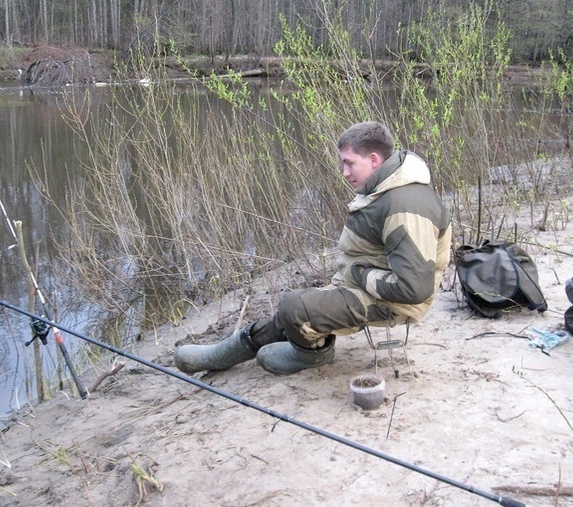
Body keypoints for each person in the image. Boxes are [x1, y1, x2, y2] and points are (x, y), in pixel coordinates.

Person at [174, 121, 452, 375]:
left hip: (396, 302)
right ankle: (223, 354)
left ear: (374, 159)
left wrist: (360, 274)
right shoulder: (387, 185)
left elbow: (414, 289)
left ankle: (314, 355)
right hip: (371, 282)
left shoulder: (405, 207)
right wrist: (357, 273)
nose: (344, 172)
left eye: (349, 163)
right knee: (289, 314)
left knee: (294, 307)